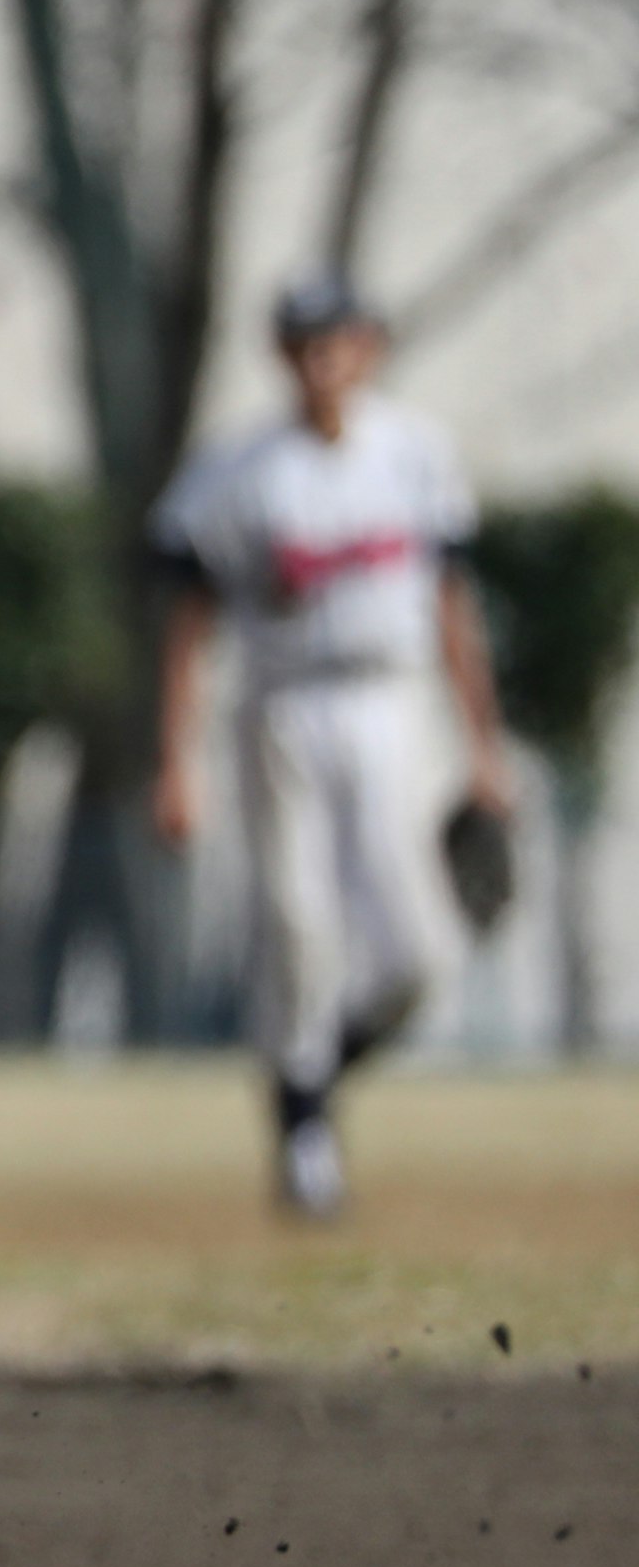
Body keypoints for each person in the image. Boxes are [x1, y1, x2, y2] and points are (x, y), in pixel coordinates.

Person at [149, 271, 512, 1219]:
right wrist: (174, 761)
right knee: (296, 921)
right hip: (283, 707)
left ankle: (311, 1076)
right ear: (282, 355)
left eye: (339, 340)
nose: (323, 361)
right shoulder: (237, 471)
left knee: (418, 948)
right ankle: (306, 1135)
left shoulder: (415, 453)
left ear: (370, 348)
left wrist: (487, 746)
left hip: (395, 703)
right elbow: (190, 623)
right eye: (306, 343)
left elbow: (451, 606)